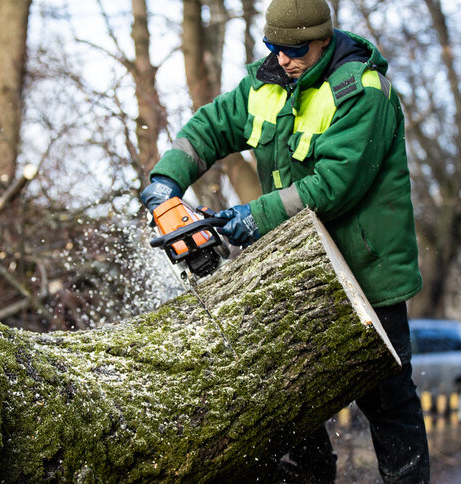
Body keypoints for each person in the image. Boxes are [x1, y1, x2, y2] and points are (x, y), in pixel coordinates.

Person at [139, 0, 430, 482]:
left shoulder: (362, 91)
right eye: (272, 48)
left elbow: (334, 185)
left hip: (366, 274)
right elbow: (210, 127)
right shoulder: (267, 84)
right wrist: (166, 183)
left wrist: (250, 218)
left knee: (387, 402)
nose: (281, 59)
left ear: (323, 40)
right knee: (289, 391)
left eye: (293, 50)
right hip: (300, 268)